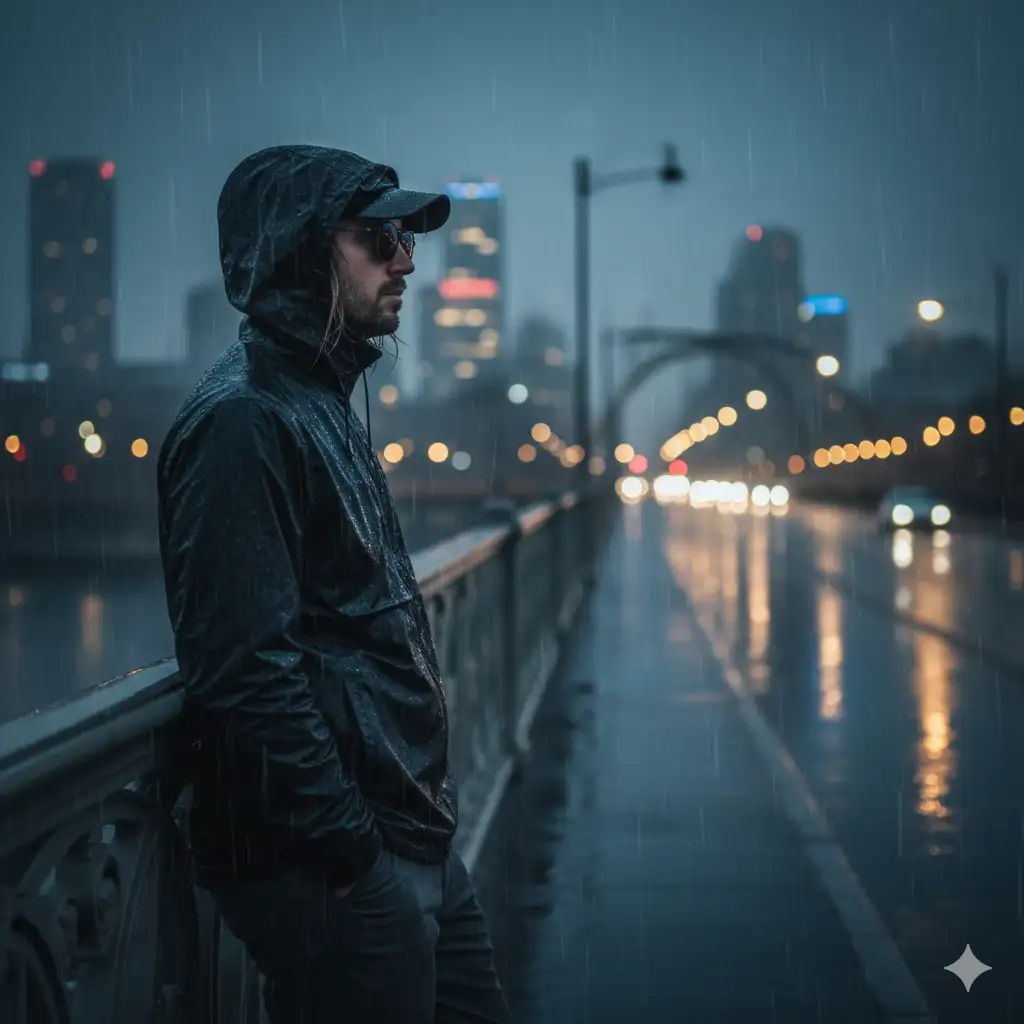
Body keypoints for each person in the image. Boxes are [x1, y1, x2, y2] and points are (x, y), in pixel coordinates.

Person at [157, 145, 513, 1024]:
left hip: (404, 838)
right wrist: (355, 858)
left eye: (404, 235)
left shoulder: (318, 399)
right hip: (338, 869)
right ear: (300, 249)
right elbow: (246, 673)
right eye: (375, 237)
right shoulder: (246, 421)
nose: (407, 258)